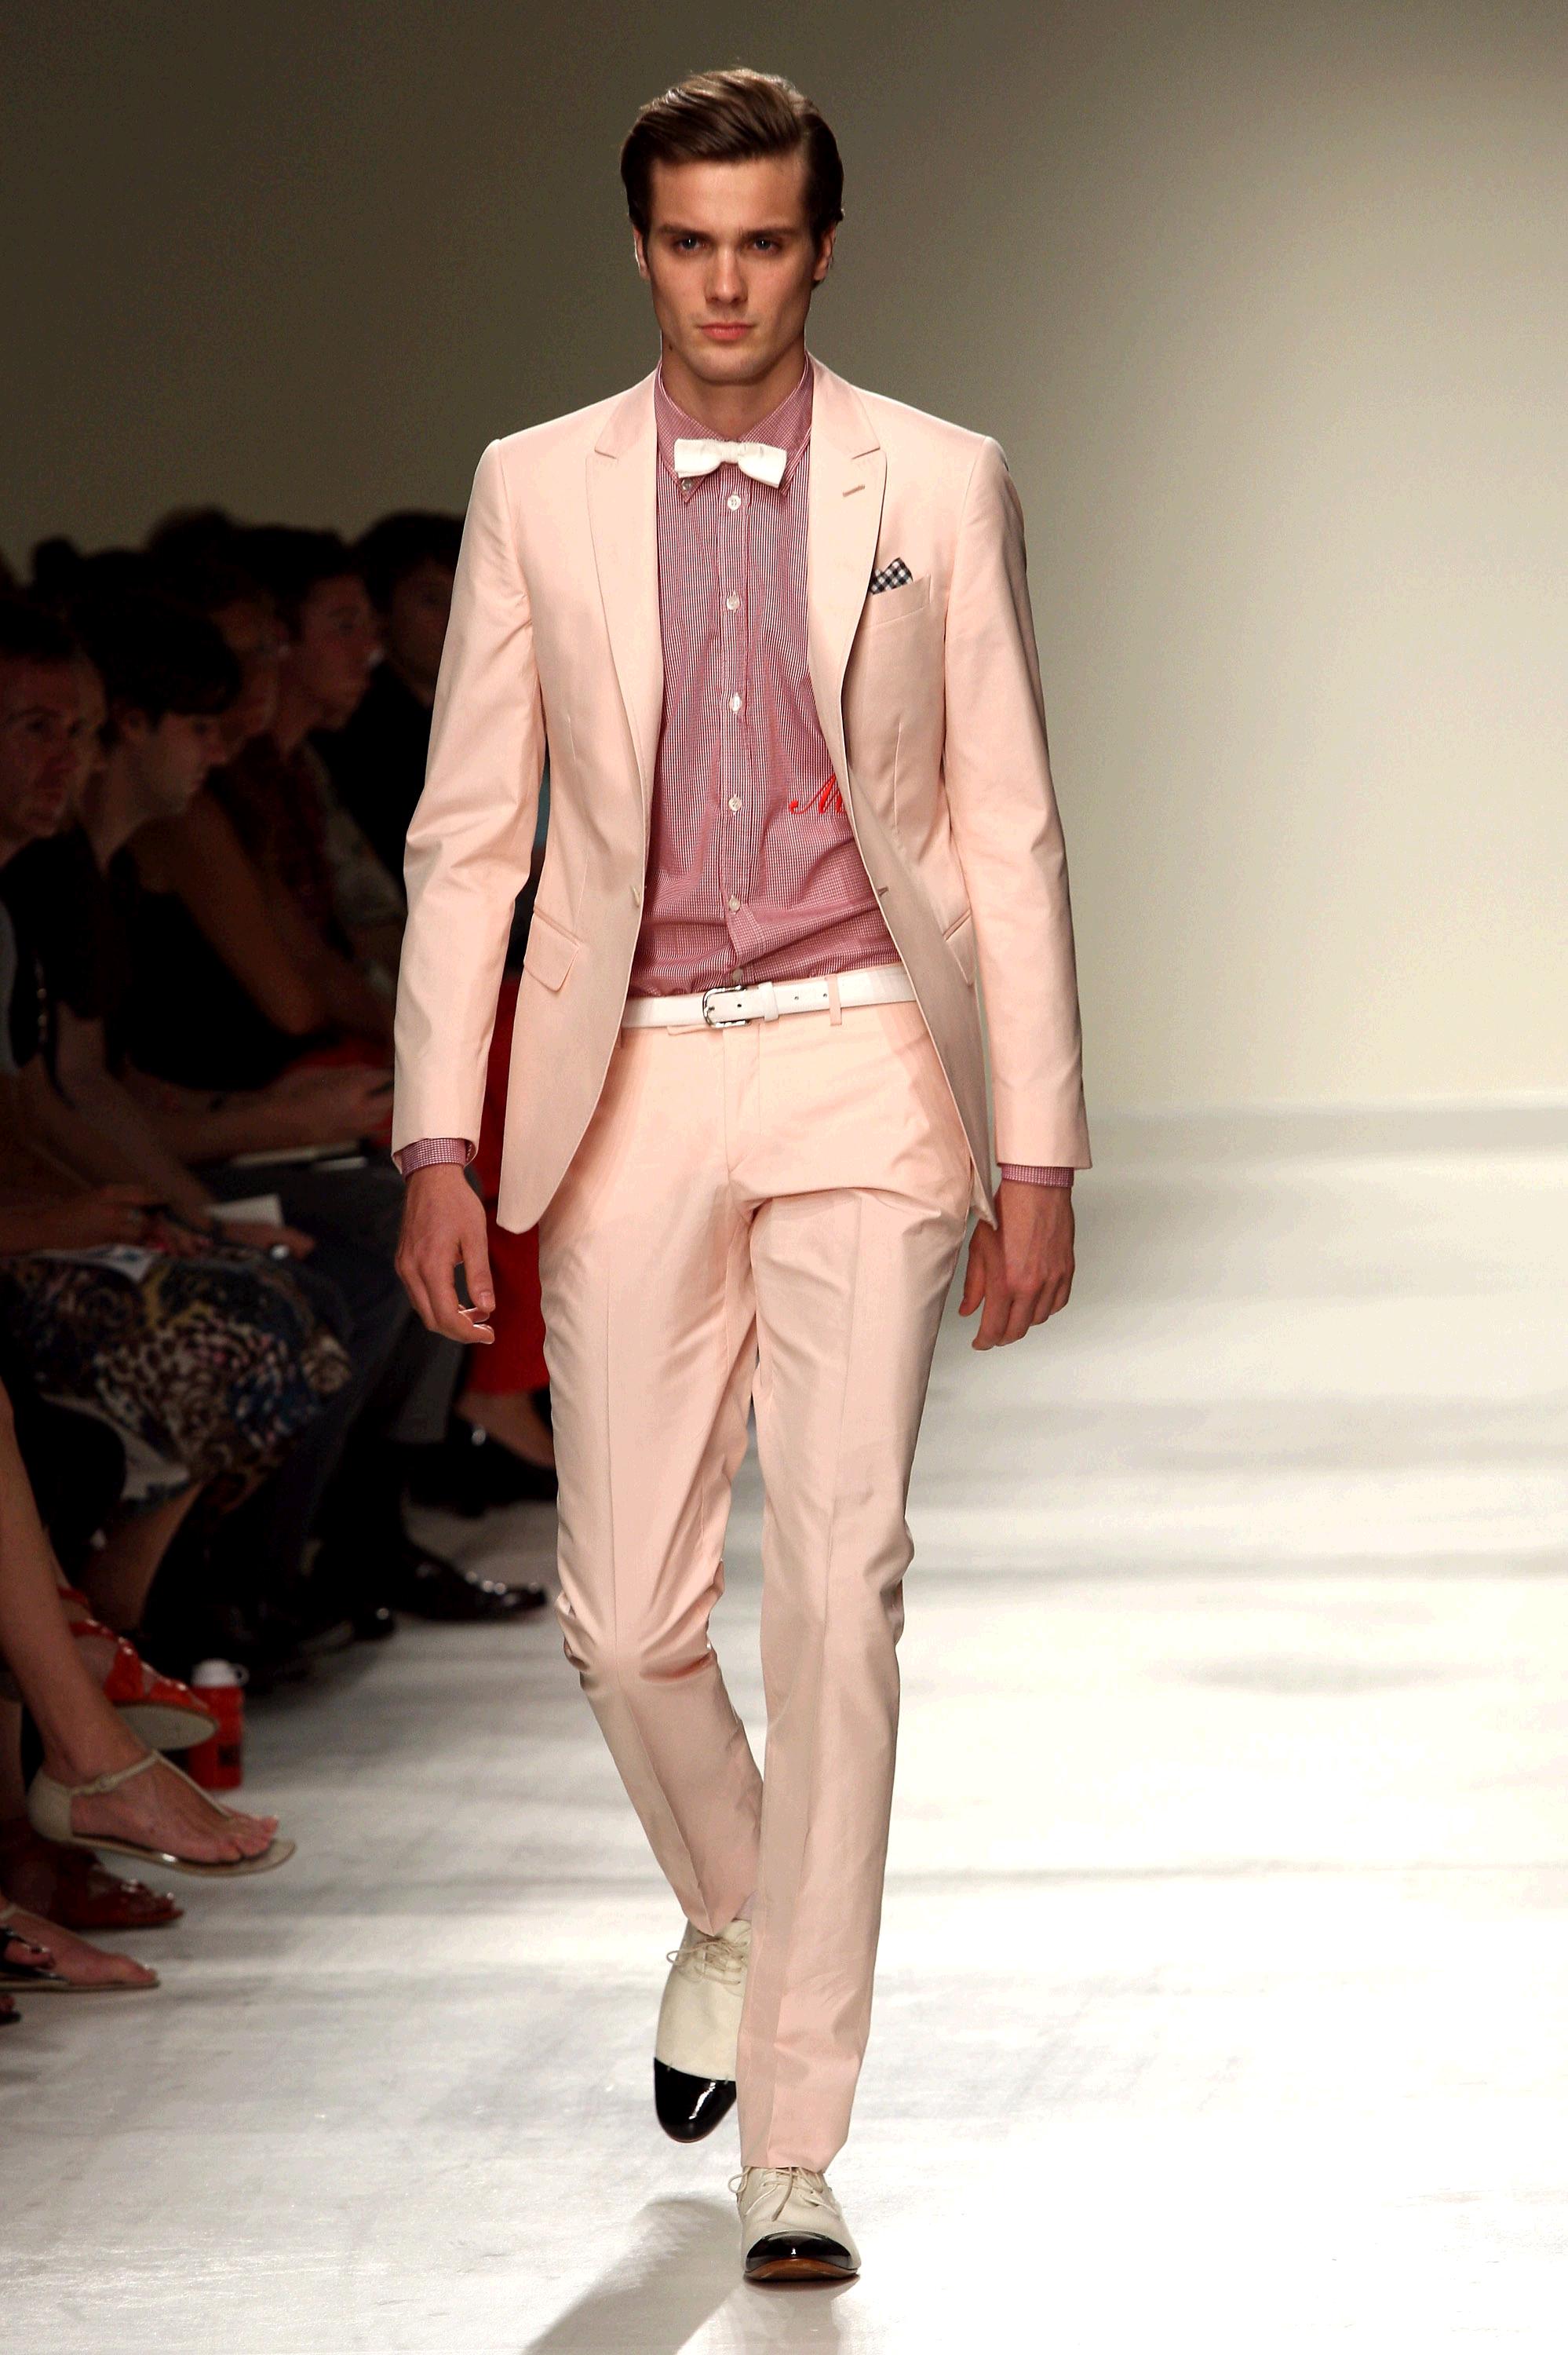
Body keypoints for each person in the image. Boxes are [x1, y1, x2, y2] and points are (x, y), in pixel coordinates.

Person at [392, 68, 1089, 2285]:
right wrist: (437, 1134)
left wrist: (1040, 1143)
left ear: (821, 249)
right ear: (641, 249)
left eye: (763, 242)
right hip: (620, 1081)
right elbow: (469, 835)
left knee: (842, 1584)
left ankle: (795, 2142)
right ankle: (734, 1903)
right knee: (621, 1619)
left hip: (870, 1053)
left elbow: (1006, 824)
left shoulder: (938, 483)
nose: (724, 283)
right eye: (691, 242)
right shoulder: (534, 489)